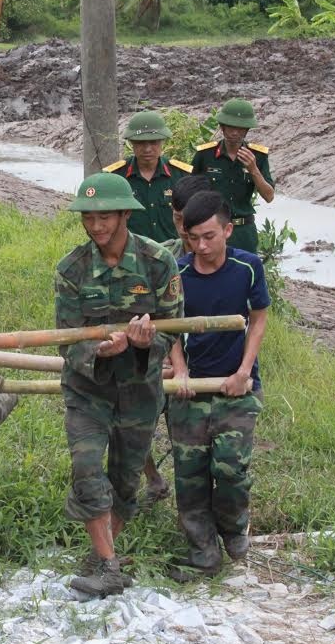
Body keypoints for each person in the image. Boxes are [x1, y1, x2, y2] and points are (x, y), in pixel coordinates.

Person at [55, 173, 183, 597]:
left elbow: (173, 327)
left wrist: (149, 344)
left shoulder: (157, 262)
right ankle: (109, 566)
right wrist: (97, 352)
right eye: (88, 218)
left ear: (126, 213)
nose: (95, 226)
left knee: (126, 479)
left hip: (139, 388)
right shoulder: (71, 269)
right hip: (88, 389)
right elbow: (66, 337)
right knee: (86, 468)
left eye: (104, 217)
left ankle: (100, 553)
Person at [167, 190, 269, 581]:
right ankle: (203, 555)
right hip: (192, 390)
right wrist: (180, 372)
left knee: (230, 471)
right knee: (190, 475)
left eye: (210, 236)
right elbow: (172, 328)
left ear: (228, 230)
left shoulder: (248, 268)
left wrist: (244, 371)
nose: (202, 246)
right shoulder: (178, 273)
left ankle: (232, 526)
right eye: (194, 238)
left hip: (237, 388)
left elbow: (257, 319)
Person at [140, 173, 215, 506]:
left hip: (203, 364)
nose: (184, 230)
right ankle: (153, 479)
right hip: (160, 359)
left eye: (192, 222)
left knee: (195, 446)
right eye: (179, 220)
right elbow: (154, 314)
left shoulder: (225, 261)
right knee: (131, 424)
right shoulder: (161, 258)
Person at [191, 99, 275, 254]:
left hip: (243, 231)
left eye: (240, 128)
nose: (235, 133)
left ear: (246, 130)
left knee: (245, 274)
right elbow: (190, 193)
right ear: (222, 127)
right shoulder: (205, 155)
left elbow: (269, 196)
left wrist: (253, 169)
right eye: (230, 127)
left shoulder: (258, 156)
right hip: (212, 229)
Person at [103, 111, 193, 243]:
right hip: (132, 253)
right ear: (131, 143)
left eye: (153, 142)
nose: (147, 149)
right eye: (141, 143)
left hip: (172, 253)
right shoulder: (115, 177)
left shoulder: (181, 175)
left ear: (162, 142)